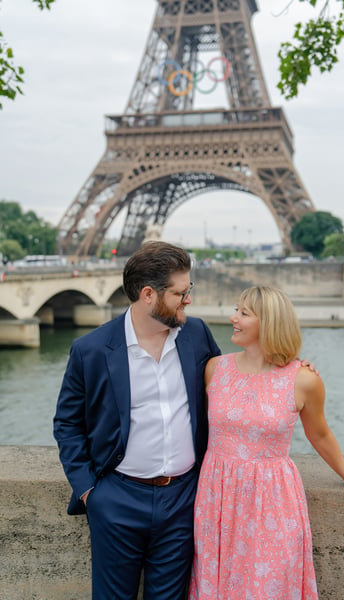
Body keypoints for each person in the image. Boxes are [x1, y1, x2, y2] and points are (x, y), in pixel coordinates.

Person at [188, 285, 344, 600]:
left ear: (269, 322)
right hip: (217, 497)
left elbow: (320, 434)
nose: (233, 317)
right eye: (237, 309)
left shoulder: (303, 380)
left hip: (273, 501)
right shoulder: (215, 369)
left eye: (244, 313)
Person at [53, 241, 221, 600]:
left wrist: (290, 370)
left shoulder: (197, 334)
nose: (188, 299)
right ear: (148, 294)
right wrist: (90, 493)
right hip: (117, 498)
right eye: (180, 292)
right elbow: (67, 423)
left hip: (183, 499)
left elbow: (231, 385)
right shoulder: (91, 349)